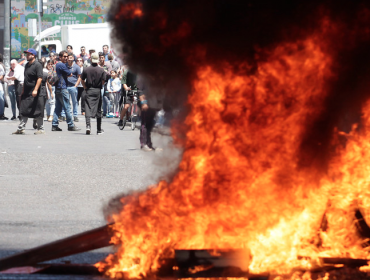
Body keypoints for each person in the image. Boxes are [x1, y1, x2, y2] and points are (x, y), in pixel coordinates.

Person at [12, 49, 44, 134]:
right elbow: (26, 79)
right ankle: (21, 128)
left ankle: (41, 129)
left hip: (35, 92)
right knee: (24, 109)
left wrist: (36, 90)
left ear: (33, 55)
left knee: (38, 110)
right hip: (26, 91)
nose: (27, 56)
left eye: (28, 54)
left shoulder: (37, 65)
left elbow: (40, 78)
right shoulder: (26, 65)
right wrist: (22, 90)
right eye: (26, 54)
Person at [51, 50, 80, 132]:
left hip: (58, 88)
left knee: (58, 108)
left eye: (67, 56)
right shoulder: (61, 65)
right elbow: (70, 74)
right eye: (64, 56)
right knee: (67, 107)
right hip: (62, 88)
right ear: (60, 57)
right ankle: (71, 125)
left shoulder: (57, 64)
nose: (66, 58)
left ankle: (54, 124)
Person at [80, 52, 106, 135]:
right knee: (98, 109)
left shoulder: (86, 69)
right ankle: (98, 129)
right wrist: (99, 85)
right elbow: (103, 81)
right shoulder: (101, 70)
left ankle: (88, 126)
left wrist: (85, 88)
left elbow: (82, 80)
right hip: (97, 90)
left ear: (91, 59)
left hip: (89, 89)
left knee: (87, 107)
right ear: (98, 60)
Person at [66, 52, 81, 122]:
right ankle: (65, 115)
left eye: (71, 57)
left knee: (75, 102)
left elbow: (79, 77)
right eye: (68, 57)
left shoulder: (77, 67)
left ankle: (75, 115)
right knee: (66, 101)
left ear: (73, 58)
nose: (69, 59)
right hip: (65, 86)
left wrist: (76, 85)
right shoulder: (65, 66)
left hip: (73, 87)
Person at [98, 52, 112, 117]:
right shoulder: (97, 65)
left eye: (102, 58)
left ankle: (107, 112)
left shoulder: (108, 64)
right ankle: (100, 111)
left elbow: (110, 73)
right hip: (99, 83)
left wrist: (103, 70)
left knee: (106, 98)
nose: (101, 59)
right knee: (99, 97)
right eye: (100, 58)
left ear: (104, 58)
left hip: (106, 83)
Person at [0, 53, 7, 120]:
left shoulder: (1, 65)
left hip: (0, 85)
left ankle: (1, 114)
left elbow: (2, 74)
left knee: (1, 99)